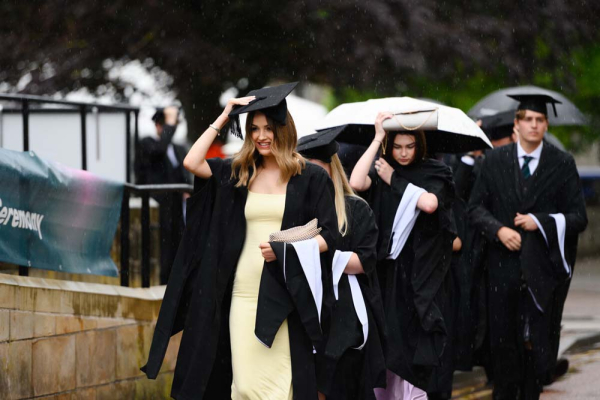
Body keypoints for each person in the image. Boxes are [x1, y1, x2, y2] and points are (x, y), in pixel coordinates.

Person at [141, 82, 339, 400]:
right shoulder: (240, 172)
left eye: (269, 128)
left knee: (281, 388)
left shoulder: (310, 177)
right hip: (243, 294)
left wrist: (287, 251)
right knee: (245, 386)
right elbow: (192, 162)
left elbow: (331, 235)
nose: (262, 136)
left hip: (288, 295)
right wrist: (224, 116)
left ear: (283, 129)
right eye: (255, 129)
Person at [469, 94, 588, 399]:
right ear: (517, 124)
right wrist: (499, 230)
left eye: (539, 120)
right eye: (528, 119)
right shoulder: (494, 160)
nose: (534, 125)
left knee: (536, 350)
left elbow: (578, 217)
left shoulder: (561, 163)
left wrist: (541, 222)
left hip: (542, 273)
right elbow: (475, 209)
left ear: (546, 125)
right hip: (501, 269)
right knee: (503, 347)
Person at [350, 112, 456, 399]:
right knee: (385, 343)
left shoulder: (434, 171)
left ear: (419, 145)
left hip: (419, 273)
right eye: (397, 147)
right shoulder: (382, 167)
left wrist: (394, 179)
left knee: (412, 342)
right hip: (385, 271)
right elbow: (356, 182)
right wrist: (377, 139)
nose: (404, 153)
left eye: (410, 146)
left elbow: (430, 204)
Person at [297, 126, 387, 400]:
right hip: (305, 309)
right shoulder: (295, 210)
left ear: (331, 169)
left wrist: (314, 252)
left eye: (317, 170)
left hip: (344, 312)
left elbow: (365, 260)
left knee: (342, 383)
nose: (312, 177)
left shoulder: (355, 208)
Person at [134, 106, 190, 284]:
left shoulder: (178, 148)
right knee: (161, 245)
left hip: (176, 204)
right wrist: (169, 122)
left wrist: (188, 190)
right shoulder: (147, 143)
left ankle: (177, 280)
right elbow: (158, 151)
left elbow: (184, 172)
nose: (170, 130)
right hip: (157, 203)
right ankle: (162, 281)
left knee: (178, 241)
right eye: (166, 126)